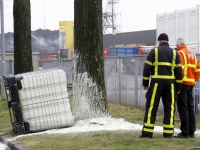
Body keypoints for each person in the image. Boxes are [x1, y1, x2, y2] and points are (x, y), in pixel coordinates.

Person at [139, 33, 182, 138]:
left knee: (152, 107)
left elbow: (147, 68)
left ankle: (147, 133)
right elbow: (179, 71)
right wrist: (178, 87)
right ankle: (168, 133)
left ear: (159, 41)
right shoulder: (175, 53)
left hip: (156, 83)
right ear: (167, 41)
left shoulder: (154, 51)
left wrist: (145, 83)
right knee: (169, 108)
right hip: (170, 85)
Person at [174, 38, 200, 138]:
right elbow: (198, 70)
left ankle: (185, 132)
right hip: (190, 84)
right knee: (190, 108)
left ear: (177, 45)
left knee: (182, 108)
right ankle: (191, 131)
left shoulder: (180, 53)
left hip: (183, 84)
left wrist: (178, 85)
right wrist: (194, 81)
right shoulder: (192, 54)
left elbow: (180, 70)